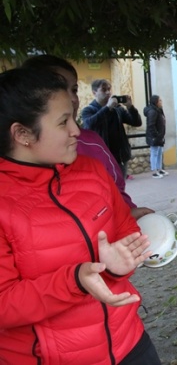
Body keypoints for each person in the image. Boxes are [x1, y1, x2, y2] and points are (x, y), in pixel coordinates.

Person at [0, 67, 161, 364]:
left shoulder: (92, 170)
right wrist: (76, 280)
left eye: (73, 117)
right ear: (22, 134)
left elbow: (126, 233)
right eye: (63, 122)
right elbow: (4, 304)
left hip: (128, 341)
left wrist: (117, 265)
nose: (77, 130)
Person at [21, 54, 153, 220]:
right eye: (62, 122)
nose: (71, 98)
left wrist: (124, 213)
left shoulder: (92, 145)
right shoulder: (89, 111)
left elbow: (116, 190)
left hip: (118, 155)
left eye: (74, 90)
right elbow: (90, 122)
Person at [81, 78, 142, 179]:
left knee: (120, 189)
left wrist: (130, 107)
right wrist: (107, 108)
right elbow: (89, 124)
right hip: (101, 157)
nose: (108, 92)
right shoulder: (88, 110)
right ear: (94, 92)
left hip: (120, 158)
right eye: (104, 90)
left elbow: (136, 122)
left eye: (109, 89)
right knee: (105, 189)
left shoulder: (117, 109)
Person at [144, 95, 168, 179]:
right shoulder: (152, 112)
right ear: (156, 102)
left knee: (159, 152)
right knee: (154, 153)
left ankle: (159, 168)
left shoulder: (159, 110)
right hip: (154, 137)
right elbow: (151, 125)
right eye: (160, 100)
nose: (161, 102)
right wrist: (156, 135)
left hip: (159, 136)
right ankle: (154, 171)